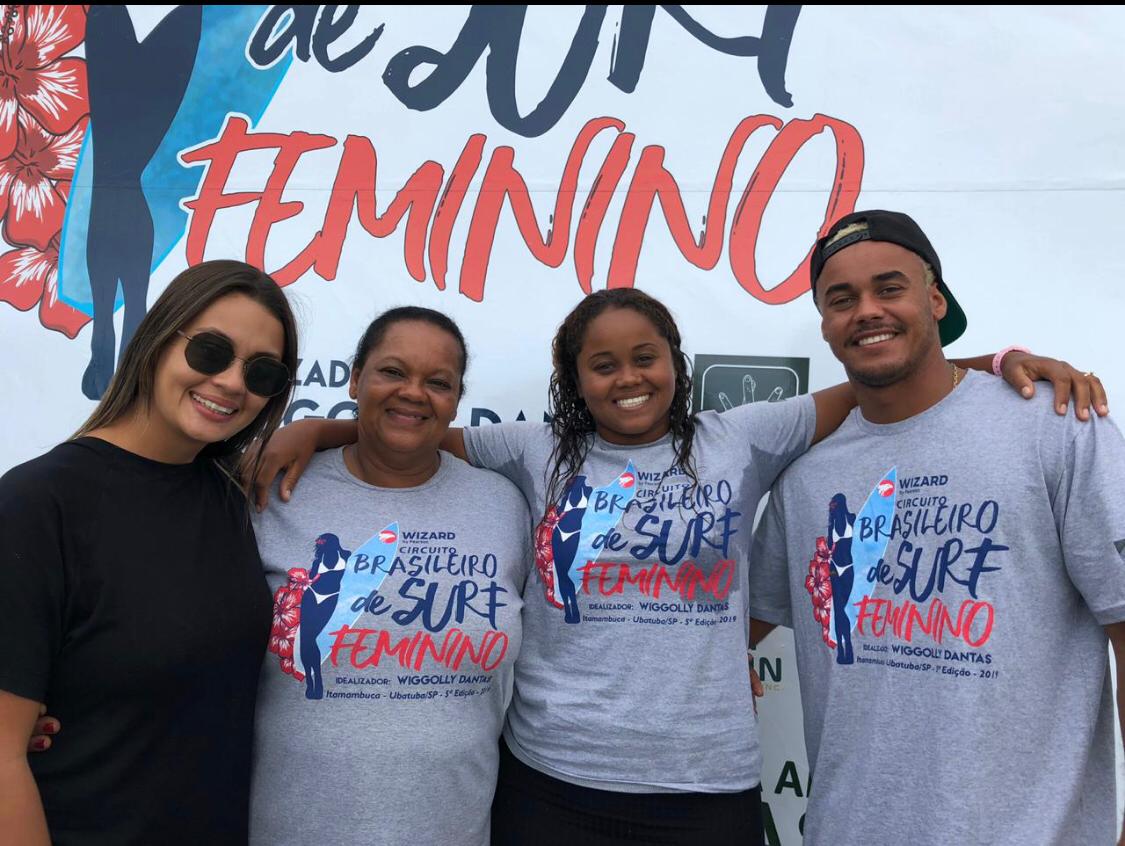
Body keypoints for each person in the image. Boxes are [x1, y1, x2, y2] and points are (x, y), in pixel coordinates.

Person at [252, 285, 1103, 845]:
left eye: (645, 357)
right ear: (573, 381)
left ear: (675, 363)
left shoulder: (745, 438)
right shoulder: (533, 450)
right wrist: (315, 429)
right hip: (552, 781)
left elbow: (887, 379)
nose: (628, 377)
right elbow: (411, 426)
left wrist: (995, 363)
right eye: (603, 364)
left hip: (707, 787)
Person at [748, 209, 1125, 845]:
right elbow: (730, 625)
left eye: (888, 288)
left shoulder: (1056, 426)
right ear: (825, 324)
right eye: (842, 299)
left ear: (935, 299)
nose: (867, 310)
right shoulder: (806, 475)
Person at [0, 259, 298, 845]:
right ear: (159, 340)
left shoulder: (231, 499)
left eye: (262, 373)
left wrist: (318, 431)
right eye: (211, 352)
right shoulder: (38, 504)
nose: (234, 383)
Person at [248, 307, 530, 846]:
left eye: (438, 382)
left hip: (453, 829)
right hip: (292, 828)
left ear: (455, 399)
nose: (414, 393)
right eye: (393, 372)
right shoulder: (275, 491)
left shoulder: (504, 506)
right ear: (355, 379)